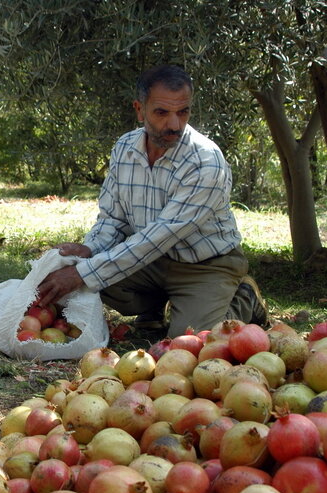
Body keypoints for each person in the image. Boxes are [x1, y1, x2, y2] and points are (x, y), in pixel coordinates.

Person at [36, 64, 268, 337]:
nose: (174, 125)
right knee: (98, 280)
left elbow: (157, 238)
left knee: (192, 342)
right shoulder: (124, 148)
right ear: (139, 109)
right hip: (150, 262)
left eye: (183, 112)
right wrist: (90, 249)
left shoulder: (205, 161)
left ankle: (244, 299)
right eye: (162, 112)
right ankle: (155, 308)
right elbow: (114, 218)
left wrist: (82, 273)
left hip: (205, 265)